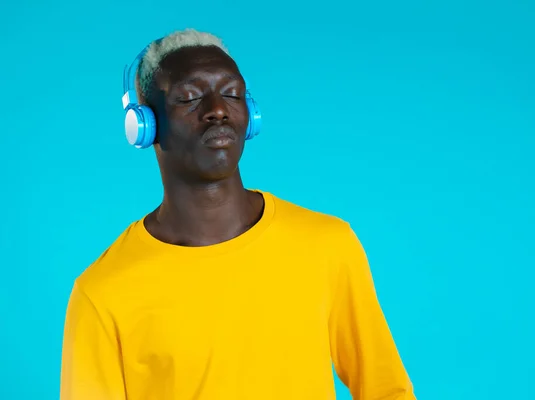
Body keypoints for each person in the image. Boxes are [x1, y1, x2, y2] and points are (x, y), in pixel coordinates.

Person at [60, 28, 416, 400]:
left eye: (232, 93)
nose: (217, 109)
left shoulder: (328, 245)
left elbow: (385, 390)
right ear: (144, 125)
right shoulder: (103, 293)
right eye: (190, 97)